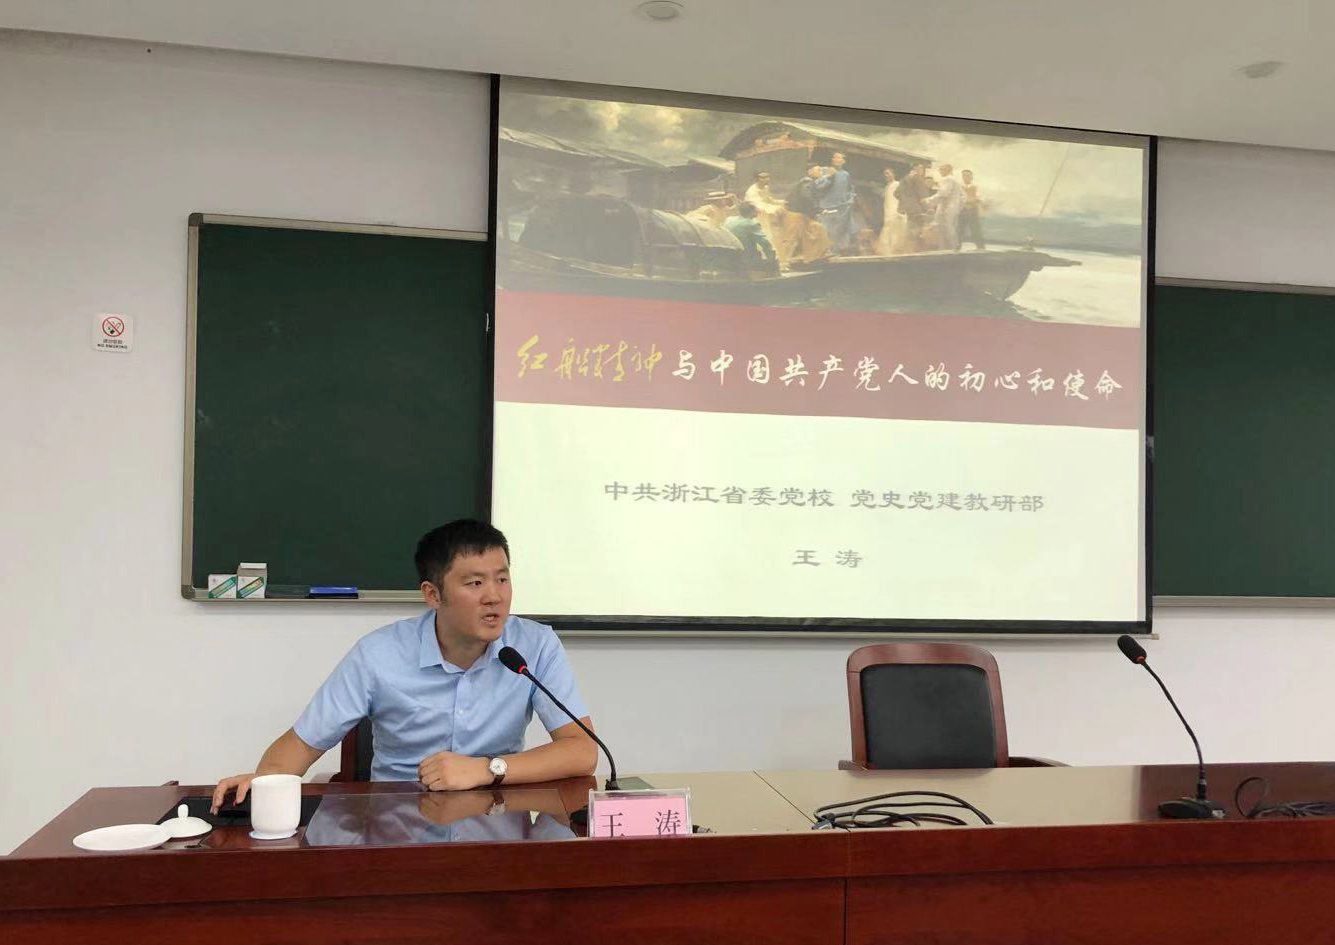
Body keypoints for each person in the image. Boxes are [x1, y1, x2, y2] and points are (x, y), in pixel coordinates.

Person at [211, 520, 598, 811]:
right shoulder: (378, 655)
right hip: (397, 828)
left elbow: (582, 751)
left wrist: (486, 769)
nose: (494, 597)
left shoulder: (534, 646)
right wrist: (264, 785)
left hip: (497, 829)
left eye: (502, 579)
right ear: (433, 594)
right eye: (475, 583)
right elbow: (300, 743)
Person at [812, 151, 855, 254]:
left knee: (839, 231)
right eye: (834, 157)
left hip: (841, 207)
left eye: (838, 157)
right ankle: (824, 252)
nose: (835, 159)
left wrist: (850, 199)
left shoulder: (846, 174)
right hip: (827, 206)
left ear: (843, 161)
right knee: (826, 230)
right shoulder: (825, 170)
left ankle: (837, 252)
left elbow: (849, 189)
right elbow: (817, 185)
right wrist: (829, 177)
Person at [724, 201, 779, 271]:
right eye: (756, 208)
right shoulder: (751, 223)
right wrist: (771, 259)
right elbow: (765, 243)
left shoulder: (729, 220)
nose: (758, 210)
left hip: (731, 258)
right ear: (752, 211)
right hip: (747, 259)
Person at [924, 163, 964, 251]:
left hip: (946, 208)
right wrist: (958, 207)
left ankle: (947, 248)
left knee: (944, 228)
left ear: (948, 170)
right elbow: (962, 197)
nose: (940, 171)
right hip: (954, 208)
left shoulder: (946, 179)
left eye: (941, 169)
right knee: (950, 227)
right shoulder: (956, 181)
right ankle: (953, 247)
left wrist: (928, 200)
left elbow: (943, 194)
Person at [875, 167, 910, 256]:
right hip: (888, 210)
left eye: (888, 173)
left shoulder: (897, 184)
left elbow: (903, 197)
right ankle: (888, 250)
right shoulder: (887, 186)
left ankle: (896, 249)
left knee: (896, 229)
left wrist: (901, 209)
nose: (886, 175)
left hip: (896, 209)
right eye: (885, 174)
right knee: (888, 228)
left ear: (893, 174)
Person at [958, 169, 986, 250]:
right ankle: (957, 247)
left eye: (968, 175)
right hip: (962, 210)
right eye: (964, 175)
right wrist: (968, 200)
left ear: (971, 177)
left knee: (975, 229)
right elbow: (957, 198)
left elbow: (979, 198)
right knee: (959, 229)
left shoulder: (976, 187)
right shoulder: (959, 187)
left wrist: (970, 200)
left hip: (973, 210)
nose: (966, 177)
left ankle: (981, 247)